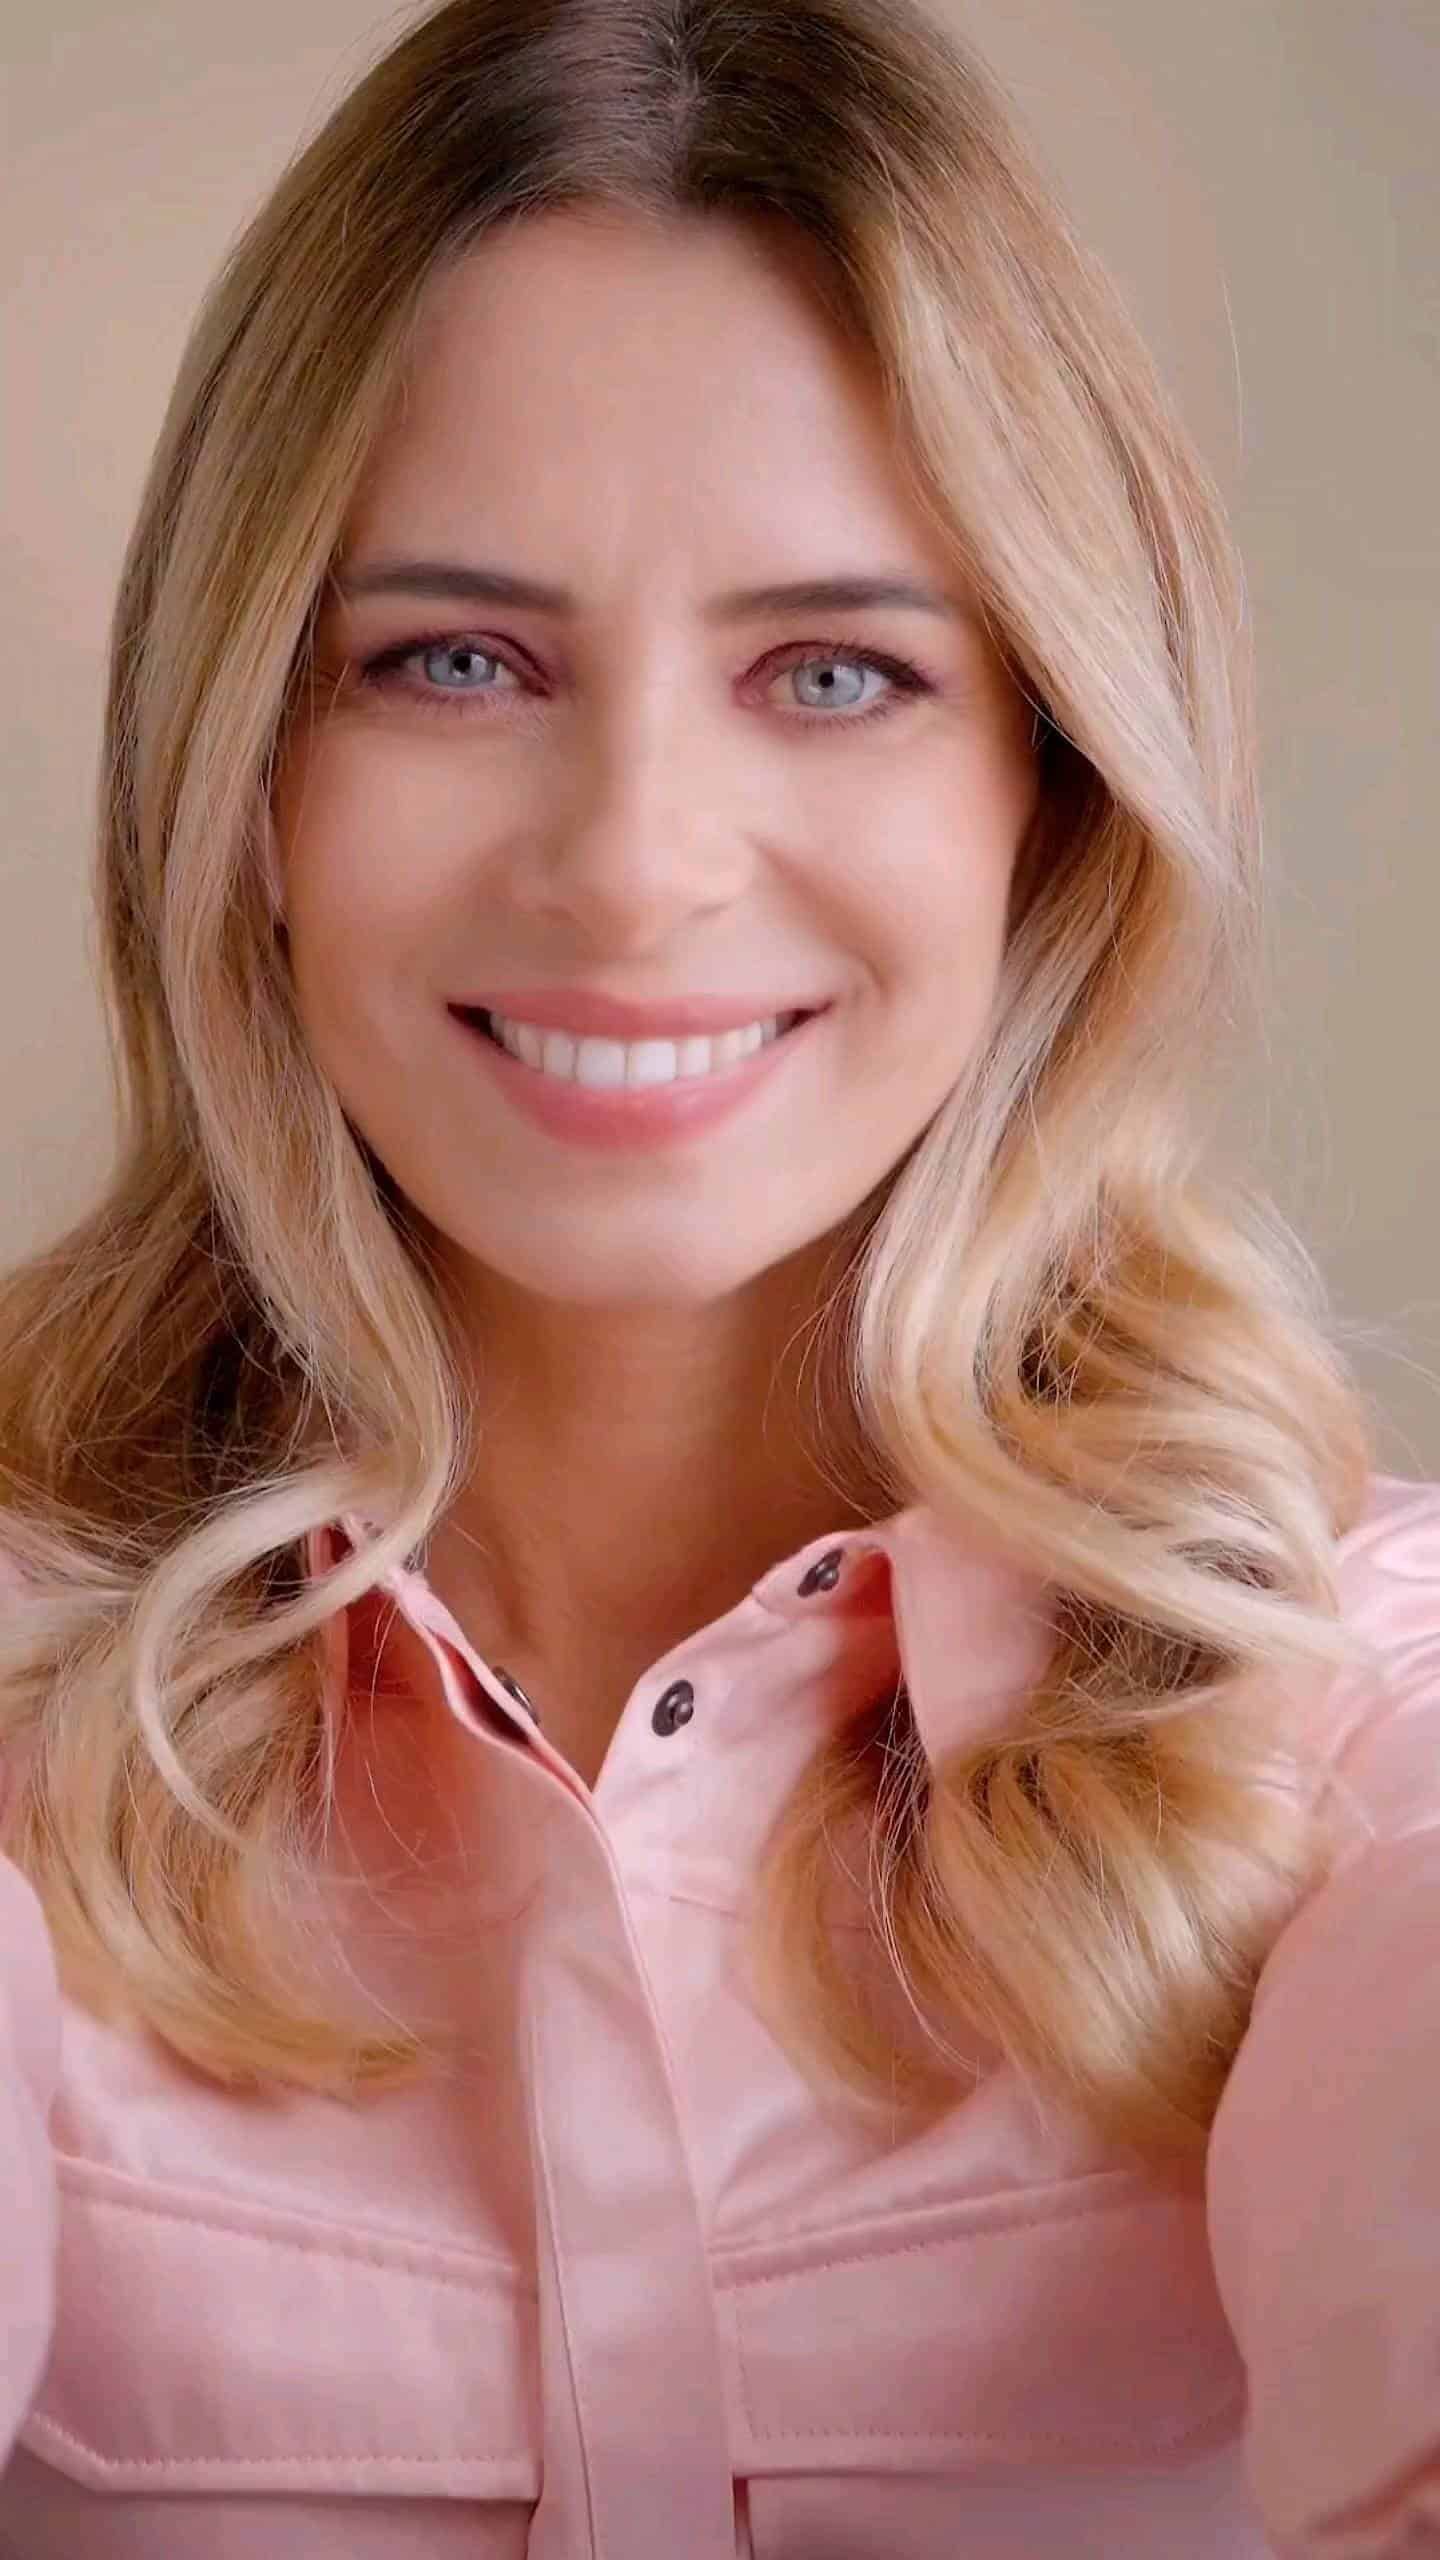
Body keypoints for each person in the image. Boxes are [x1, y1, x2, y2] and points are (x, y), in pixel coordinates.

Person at [1, 0, 1436, 2550]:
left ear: (1049, 794)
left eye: (836, 671)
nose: (634, 861)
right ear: (248, 780)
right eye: (455, 659)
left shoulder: (1355, 1721)